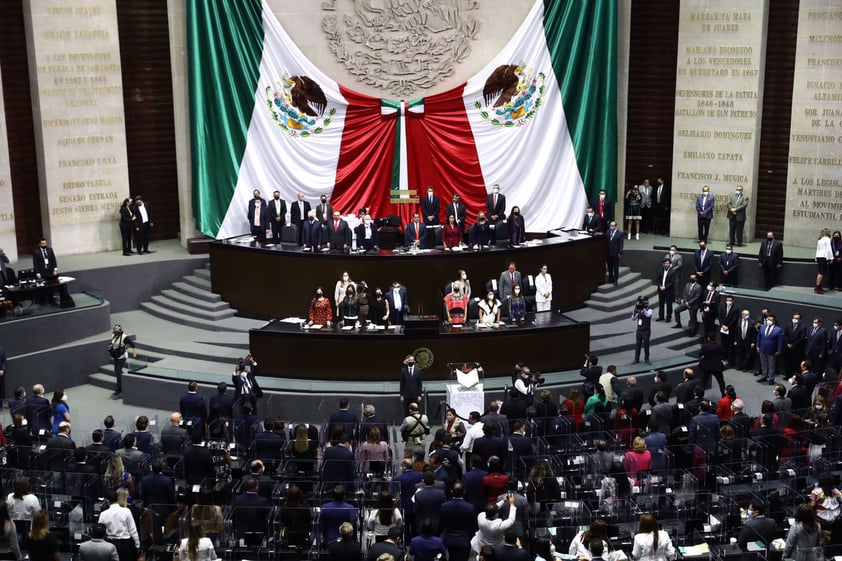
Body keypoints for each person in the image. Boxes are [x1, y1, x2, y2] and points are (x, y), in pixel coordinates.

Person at [809, 473, 842, 542]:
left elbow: (812, 505)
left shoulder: (816, 492)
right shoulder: (836, 491)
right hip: (835, 521)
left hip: (821, 521)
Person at [108, 324, 136, 397]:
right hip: (116, 356)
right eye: (114, 329)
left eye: (116, 329)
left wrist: (134, 352)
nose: (114, 330)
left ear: (120, 330)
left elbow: (132, 344)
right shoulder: (113, 335)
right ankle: (125, 380)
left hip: (122, 357)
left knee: (118, 372)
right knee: (117, 371)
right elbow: (112, 343)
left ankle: (119, 389)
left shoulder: (124, 337)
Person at [756, 314, 783, 385]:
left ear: (774, 321)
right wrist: (757, 346)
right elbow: (759, 337)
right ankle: (764, 376)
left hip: (772, 350)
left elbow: (780, 341)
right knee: (763, 364)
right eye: (768, 319)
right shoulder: (762, 327)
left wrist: (779, 350)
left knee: (771, 365)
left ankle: (771, 378)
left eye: (771, 320)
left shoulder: (778, 329)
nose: (769, 321)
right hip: (762, 349)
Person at [632, 297, 652, 365]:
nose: (646, 305)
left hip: (646, 330)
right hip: (639, 330)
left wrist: (643, 309)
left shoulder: (649, 310)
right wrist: (635, 313)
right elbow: (633, 318)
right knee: (638, 345)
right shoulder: (639, 310)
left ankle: (647, 359)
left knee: (646, 345)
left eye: (646, 304)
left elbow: (648, 315)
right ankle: (636, 359)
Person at [655, 258, 676, 322]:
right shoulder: (660, 270)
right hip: (660, 289)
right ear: (663, 264)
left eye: (668, 263)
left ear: (670, 264)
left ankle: (668, 317)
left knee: (669, 304)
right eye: (665, 263)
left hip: (668, 290)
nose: (666, 264)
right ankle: (661, 316)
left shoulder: (672, 271)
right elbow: (657, 279)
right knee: (661, 303)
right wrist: (660, 286)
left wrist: (665, 287)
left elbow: (672, 282)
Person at [815, 228, 833, 294]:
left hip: (819, 256)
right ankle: (817, 287)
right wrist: (831, 258)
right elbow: (829, 249)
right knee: (822, 273)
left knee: (820, 272)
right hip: (824, 257)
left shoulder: (820, 240)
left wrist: (816, 257)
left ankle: (818, 286)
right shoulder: (828, 239)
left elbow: (818, 249)